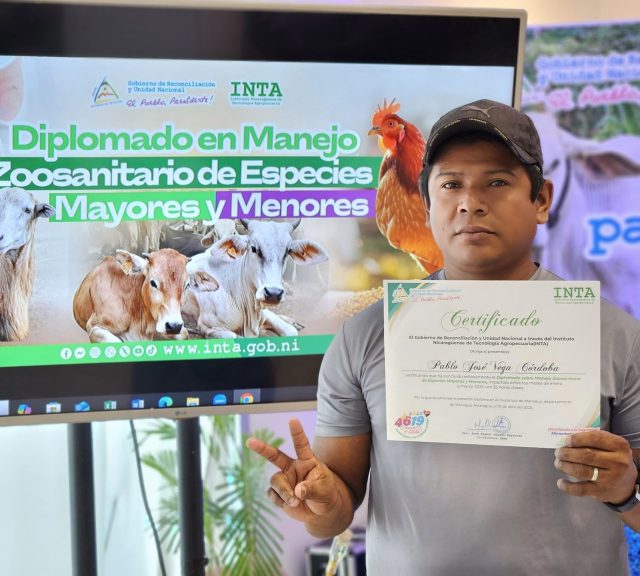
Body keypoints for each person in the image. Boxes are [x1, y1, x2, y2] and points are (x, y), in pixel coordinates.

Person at [247, 100, 640, 574]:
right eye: (451, 184)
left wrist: (626, 491)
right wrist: (317, 498)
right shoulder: (363, 339)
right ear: (428, 204)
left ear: (541, 200)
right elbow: (335, 508)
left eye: (497, 182)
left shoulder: (619, 338)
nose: (470, 202)